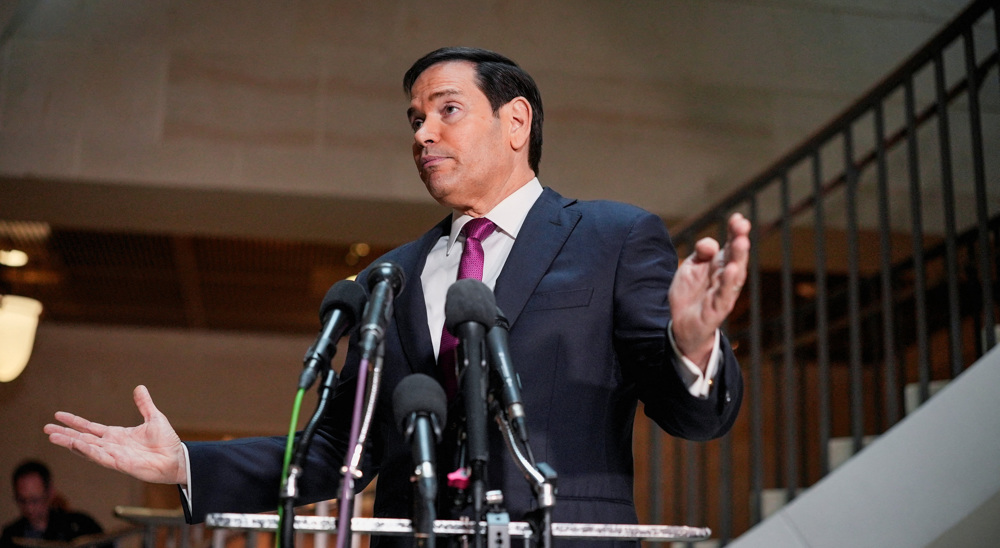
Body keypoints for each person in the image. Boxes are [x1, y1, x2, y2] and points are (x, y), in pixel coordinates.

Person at [44, 47, 750, 546]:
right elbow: (338, 447)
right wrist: (185, 464)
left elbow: (690, 417)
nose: (423, 134)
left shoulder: (612, 236)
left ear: (516, 122)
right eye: (415, 119)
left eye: (447, 110)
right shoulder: (392, 275)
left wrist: (692, 348)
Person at [1, 461, 104, 548]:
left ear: (50, 493)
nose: (29, 508)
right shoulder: (11, 535)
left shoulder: (81, 525)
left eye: (35, 500)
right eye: (22, 500)